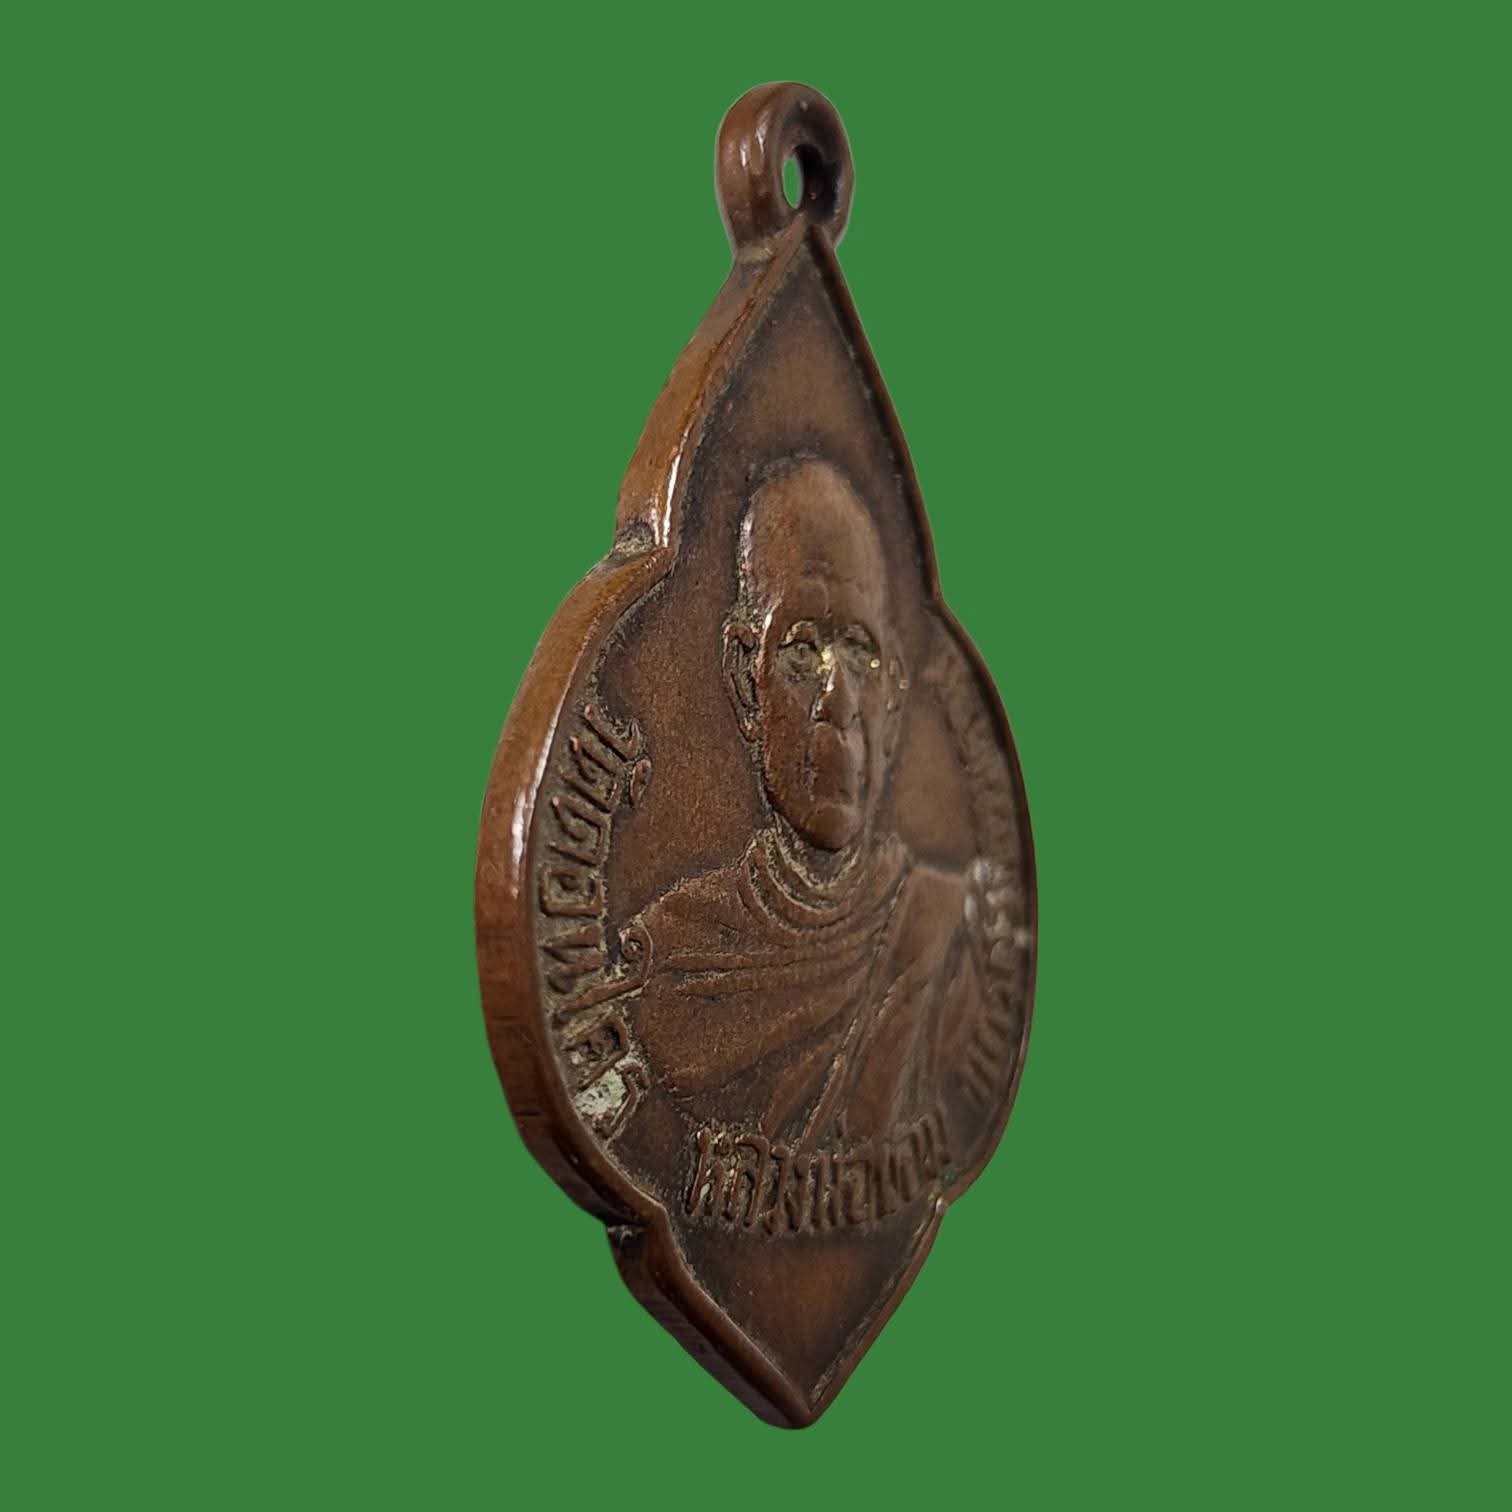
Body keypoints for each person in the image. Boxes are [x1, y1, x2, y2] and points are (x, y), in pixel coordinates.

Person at [631, 458, 991, 1152]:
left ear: (894, 694)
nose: (838, 703)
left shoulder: (947, 933)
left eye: (860, 656)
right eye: (801, 653)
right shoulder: (677, 961)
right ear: (745, 680)